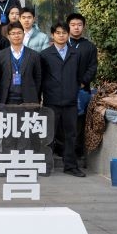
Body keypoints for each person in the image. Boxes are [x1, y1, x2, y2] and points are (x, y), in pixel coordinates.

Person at [40, 22, 85, 177]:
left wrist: (74, 89)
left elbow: (80, 75)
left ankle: (70, 166)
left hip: (70, 101)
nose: (61, 35)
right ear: (52, 35)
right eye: (58, 33)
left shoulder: (75, 54)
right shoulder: (45, 54)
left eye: (64, 33)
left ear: (68, 35)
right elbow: (41, 77)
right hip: (51, 100)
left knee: (70, 135)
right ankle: (45, 165)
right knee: (48, 135)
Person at [0, 21, 42, 153]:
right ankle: (7, 162)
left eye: (19, 33)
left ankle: (22, 162)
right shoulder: (0, 55)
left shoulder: (34, 55)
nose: (16, 36)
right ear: (8, 36)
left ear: (23, 34)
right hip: (7, 100)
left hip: (27, 100)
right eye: (13, 33)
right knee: (7, 134)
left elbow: (38, 78)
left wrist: (35, 97)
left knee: (24, 135)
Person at [67, 12, 98, 166]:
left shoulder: (89, 46)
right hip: (63, 90)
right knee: (63, 120)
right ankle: (62, 150)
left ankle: (77, 152)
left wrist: (82, 82)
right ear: (68, 26)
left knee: (79, 122)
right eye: (73, 25)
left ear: (84, 27)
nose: (76, 28)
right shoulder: (63, 44)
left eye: (79, 25)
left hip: (82, 90)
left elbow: (92, 67)